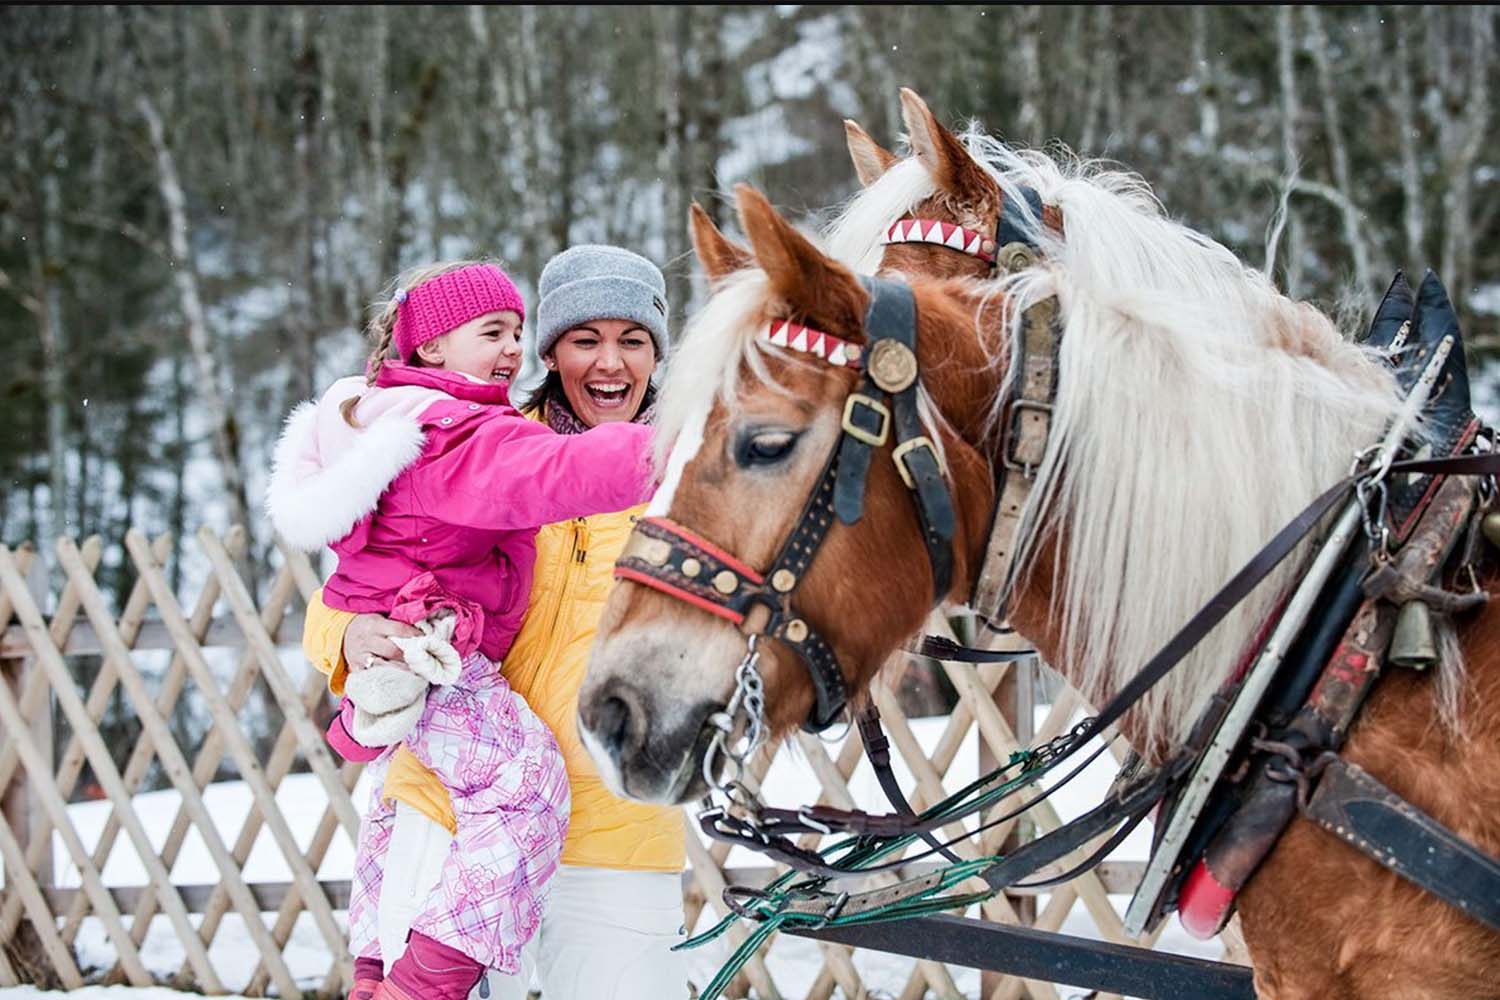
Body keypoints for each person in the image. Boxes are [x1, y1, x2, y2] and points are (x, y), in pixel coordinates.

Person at [302, 246, 688, 1000]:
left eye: (633, 341)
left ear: (657, 353)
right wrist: (348, 638)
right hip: (455, 820)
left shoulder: (694, 485)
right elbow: (346, 591)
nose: (610, 362)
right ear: (548, 350)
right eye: (586, 340)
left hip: (620, 838)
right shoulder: (469, 446)